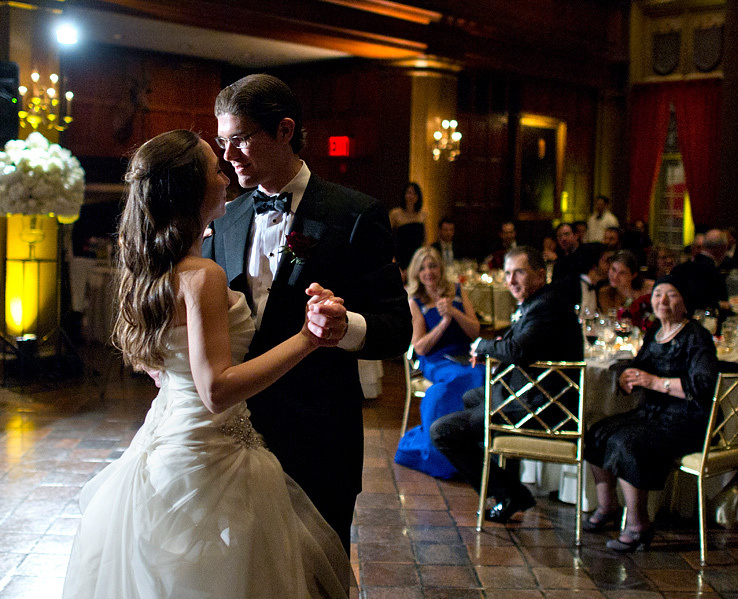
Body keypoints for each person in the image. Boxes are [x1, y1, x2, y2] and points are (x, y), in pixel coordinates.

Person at [63, 130, 352, 598]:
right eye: (214, 168)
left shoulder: (155, 269)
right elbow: (215, 390)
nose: (225, 174)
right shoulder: (202, 275)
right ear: (193, 189)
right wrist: (306, 339)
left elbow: (156, 366)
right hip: (209, 452)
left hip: (167, 441)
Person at [203, 74, 412, 554]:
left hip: (319, 438)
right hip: (234, 438)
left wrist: (345, 327)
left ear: (284, 130)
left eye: (239, 140)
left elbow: (397, 329)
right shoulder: (224, 218)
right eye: (222, 142)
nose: (228, 155)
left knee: (320, 572)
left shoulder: (355, 215)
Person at [430, 246, 583, 523]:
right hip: (533, 394)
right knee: (472, 397)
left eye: (519, 273)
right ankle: (506, 487)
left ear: (540, 275)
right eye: (508, 273)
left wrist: (482, 345)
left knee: (442, 432)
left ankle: (509, 493)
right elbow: (519, 344)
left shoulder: (546, 305)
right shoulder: (540, 301)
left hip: (543, 408)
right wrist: (495, 346)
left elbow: (519, 350)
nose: (511, 281)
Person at [583, 275, 718, 551]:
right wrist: (626, 376)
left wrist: (655, 383)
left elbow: (704, 387)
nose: (662, 301)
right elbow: (638, 364)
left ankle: (638, 524)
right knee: (596, 430)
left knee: (629, 443)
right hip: (653, 413)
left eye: (671, 294)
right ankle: (608, 506)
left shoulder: (696, 336)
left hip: (687, 418)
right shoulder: (655, 331)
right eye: (657, 295)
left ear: (685, 302)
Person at [395, 247, 484, 478]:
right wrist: (444, 322)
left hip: (466, 354)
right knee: (459, 378)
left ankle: (479, 452)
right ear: (416, 272)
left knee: (482, 376)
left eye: (432, 266)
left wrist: (454, 312)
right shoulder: (415, 300)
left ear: (440, 268)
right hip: (436, 359)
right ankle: (447, 452)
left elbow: (475, 331)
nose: (428, 272)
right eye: (423, 268)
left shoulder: (455, 290)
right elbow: (420, 347)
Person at [597, 249, 655, 331]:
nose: (615, 276)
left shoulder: (649, 288)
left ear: (633, 275)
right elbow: (610, 325)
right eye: (613, 270)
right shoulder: (605, 293)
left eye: (622, 273)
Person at [390, 181, 428, 274]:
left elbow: (425, 242)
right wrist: (394, 263)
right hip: (400, 260)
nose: (411, 196)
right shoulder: (395, 213)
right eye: (409, 193)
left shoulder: (423, 215)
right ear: (404, 194)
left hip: (418, 261)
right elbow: (385, 238)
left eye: (415, 193)